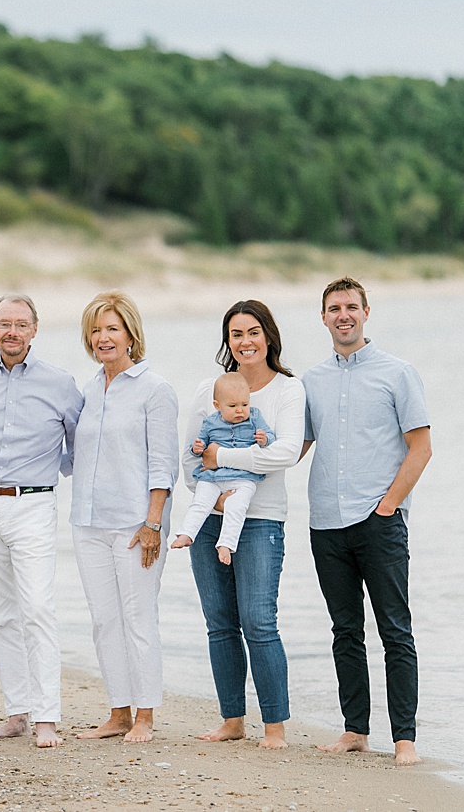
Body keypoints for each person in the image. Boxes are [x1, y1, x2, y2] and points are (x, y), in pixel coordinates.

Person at [302, 277, 431, 766]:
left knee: (395, 630)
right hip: (326, 523)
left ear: (366, 312)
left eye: (351, 306)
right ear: (323, 318)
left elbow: (422, 447)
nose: (343, 315)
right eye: (334, 308)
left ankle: (404, 739)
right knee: (344, 630)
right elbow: (296, 447)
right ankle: (355, 730)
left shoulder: (398, 373)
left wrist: (388, 505)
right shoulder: (311, 380)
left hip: (379, 520)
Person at [0, 293, 83, 749]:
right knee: (0, 615)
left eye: (21, 324)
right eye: (4, 323)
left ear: (34, 329)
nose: (12, 331)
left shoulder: (61, 383)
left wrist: (43, 479)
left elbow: (77, 449)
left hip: (31, 505)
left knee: (37, 609)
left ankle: (47, 717)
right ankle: (17, 713)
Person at [179, 300, 305, 749]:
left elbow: (286, 453)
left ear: (268, 336)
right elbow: (189, 458)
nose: (245, 342)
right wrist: (210, 497)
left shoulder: (288, 390)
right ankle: (232, 720)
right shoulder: (206, 391)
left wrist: (223, 459)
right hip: (211, 518)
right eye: (236, 334)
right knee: (219, 623)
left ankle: (274, 728)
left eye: (253, 332)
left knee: (259, 621)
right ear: (227, 342)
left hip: (261, 521)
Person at [69, 291, 179, 744]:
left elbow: (163, 464)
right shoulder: (90, 388)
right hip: (87, 523)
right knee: (103, 620)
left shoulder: (156, 389)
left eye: (112, 328)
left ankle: (146, 716)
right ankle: (118, 712)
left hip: (137, 526)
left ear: (132, 334)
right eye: (96, 330)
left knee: (138, 617)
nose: (103, 338)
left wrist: (153, 522)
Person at [172, 372, 276, 566]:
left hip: (243, 479)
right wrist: (197, 449)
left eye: (244, 404)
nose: (240, 411)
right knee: (200, 502)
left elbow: (270, 437)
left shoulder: (254, 417)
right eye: (233, 406)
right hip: (212, 477)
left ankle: (226, 544)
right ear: (217, 406)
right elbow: (199, 447)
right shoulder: (210, 422)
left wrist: (265, 438)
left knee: (236, 506)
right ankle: (186, 533)